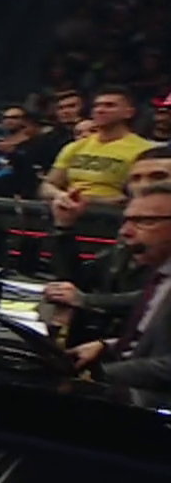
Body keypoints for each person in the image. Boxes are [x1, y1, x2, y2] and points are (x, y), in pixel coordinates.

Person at [67, 182, 171, 392]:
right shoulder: (160, 275)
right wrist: (107, 346)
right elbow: (153, 340)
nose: (125, 232)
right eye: (126, 221)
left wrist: (101, 374)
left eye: (145, 221)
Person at [41, 87, 158, 204]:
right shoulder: (75, 146)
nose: (100, 110)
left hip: (114, 211)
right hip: (70, 206)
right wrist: (60, 195)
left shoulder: (144, 149)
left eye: (109, 105)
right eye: (96, 106)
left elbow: (146, 194)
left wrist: (92, 200)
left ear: (129, 113)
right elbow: (48, 185)